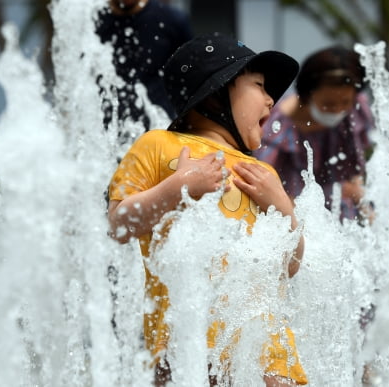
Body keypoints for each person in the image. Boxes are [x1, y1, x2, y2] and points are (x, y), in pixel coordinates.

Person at [107, 33, 308, 386]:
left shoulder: (263, 174)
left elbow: (288, 266)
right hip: (188, 347)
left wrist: (282, 206)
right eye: (259, 86)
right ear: (216, 92)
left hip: (267, 354)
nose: (270, 99)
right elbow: (120, 224)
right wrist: (176, 188)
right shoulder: (160, 145)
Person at [254, 46, 374, 222]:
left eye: (346, 102)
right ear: (307, 94)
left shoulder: (356, 110)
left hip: (349, 222)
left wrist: (366, 207)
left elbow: (355, 171)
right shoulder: (275, 130)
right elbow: (263, 192)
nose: (338, 110)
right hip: (299, 222)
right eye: (329, 104)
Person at [95, 0, 193, 131]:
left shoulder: (171, 20)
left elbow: (190, 78)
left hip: (158, 127)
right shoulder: (92, 20)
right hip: (104, 129)